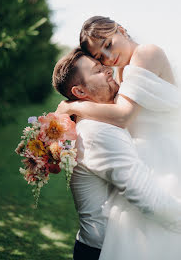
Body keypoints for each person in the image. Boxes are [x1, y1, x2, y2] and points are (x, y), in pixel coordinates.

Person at [52, 48, 181, 260]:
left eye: (104, 66)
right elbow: (147, 198)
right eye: (98, 71)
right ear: (80, 92)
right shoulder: (97, 132)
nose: (108, 71)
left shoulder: (100, 123)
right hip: (104, 250)